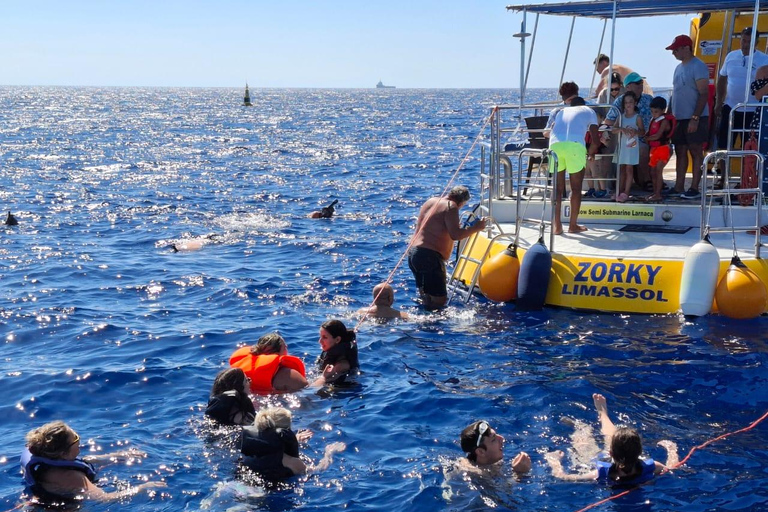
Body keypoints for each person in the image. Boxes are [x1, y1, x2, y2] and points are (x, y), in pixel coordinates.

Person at [544, 394, 679, 485]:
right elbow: (671, 468)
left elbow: (563, 477)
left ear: (610, 453)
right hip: (618, 457)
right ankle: (602, 414)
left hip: (594, 460)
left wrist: (554, 461)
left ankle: (588, 422)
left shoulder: (601, 473)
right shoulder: (651, 467)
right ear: (640, 452)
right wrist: (671, 449)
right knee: (614, 439)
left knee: (585, 439)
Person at [21, 421, 165, 501]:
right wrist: (143, 488)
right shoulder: (73, 477)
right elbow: (106, 498)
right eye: (76, 438)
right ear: (64, 453)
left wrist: (118, 456)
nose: (79, 440)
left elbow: (80, 461)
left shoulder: (47, 460)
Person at [408, 185, 487, 310]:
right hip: (429, 256)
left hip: (414, 254)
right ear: (462, 202)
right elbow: (456, 235)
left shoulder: (432, 201)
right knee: (439, 300)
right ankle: (434, 326)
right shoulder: (451, 207)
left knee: (426, 296)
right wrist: (477, 228)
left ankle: (424, 323)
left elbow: (437, 226)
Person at [544, 95, 600, 234]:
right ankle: (572, 225)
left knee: (557, 188)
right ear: (584, 104)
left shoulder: (561, 111)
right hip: (574, 146)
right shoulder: (589, 111)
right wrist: (591, 152)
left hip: (555, 145)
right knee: (576, 188)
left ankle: (556, 226)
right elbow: (596, 139)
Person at [240, 407, 345, 480]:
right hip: (261, 497)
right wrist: (329, 453)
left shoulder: (249, 449)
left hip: (239, 486)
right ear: (285, 431)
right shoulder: (291, 461)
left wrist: (296, 439)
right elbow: (319, 469)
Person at [668, 34, 710, 199]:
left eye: (676, 49)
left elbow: (704, 93)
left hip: (694, 117)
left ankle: (694, 187)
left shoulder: (698, 66)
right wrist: (669, 115)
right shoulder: (678, 68)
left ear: (686, 48)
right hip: (679, 117)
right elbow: (675, 93)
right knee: (680, 150)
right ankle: (679, 186)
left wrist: (695, 117)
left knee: (696, 151)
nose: (674, 53)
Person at [715, 28, 768, 158]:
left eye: (749, 42)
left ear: (756, 43)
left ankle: (748, 177)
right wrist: (718, 102)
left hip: (753, 110)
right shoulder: (731, 56)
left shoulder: (764, 59)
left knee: (750, 146)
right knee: (724, 144)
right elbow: (722, 79)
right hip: (731, 106)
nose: (745, 44)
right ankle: (723, 176)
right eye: (743, 41)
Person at [604, 72, 654, 190]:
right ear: (627, 87)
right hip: (628, 140)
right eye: (637, 83)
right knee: (640, 150)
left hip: (648, 137)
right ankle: (644, 181)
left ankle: (653, 179)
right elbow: (608, 121)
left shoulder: (649, 99)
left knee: (665, 149)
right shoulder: (619, 102)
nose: (641, 85)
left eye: (641, 82)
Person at [229, 333, 308, 394]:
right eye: (285, 347)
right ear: (280, 350)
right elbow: (308, 391)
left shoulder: (241, 374)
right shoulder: (288, 374)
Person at [457, 420, 531, 475]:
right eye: (494, 439)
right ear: (481, 452)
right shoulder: (472, 473)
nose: (502, 438)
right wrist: (519, 474)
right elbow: (502, 494)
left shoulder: (492, 461)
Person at [612, 91, 644, 203]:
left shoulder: (637, 117)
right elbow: (613, 129)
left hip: (631, 146)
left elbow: (642, 132)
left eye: (630, 102)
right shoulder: (620, 117)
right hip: (622, 146)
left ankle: (626, 191)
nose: (628, 104)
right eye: (626, 102)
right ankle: (619, 190)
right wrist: (621, 129)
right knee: (621, 169)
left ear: (635, 103)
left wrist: (635, 132)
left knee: (629, 169)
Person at [645, 97, 676, 202]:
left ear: (663, 110)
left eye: (656, 111)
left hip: (663, 148)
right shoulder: (654, 120)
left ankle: (658, 194)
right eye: (652, 111)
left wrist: (646, 138)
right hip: (654, 148)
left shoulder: (664, 121)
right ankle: (655, 192)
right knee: (652, 172)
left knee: (658, 171)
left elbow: (658, 135)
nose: (653, 114)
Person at [313, 319, 359, 386]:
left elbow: (317, 385)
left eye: (324, 337)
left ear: (337, 339)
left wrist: (323, 377)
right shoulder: (333, 351)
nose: (320, 341)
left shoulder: (341, 365)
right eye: (320, 337)